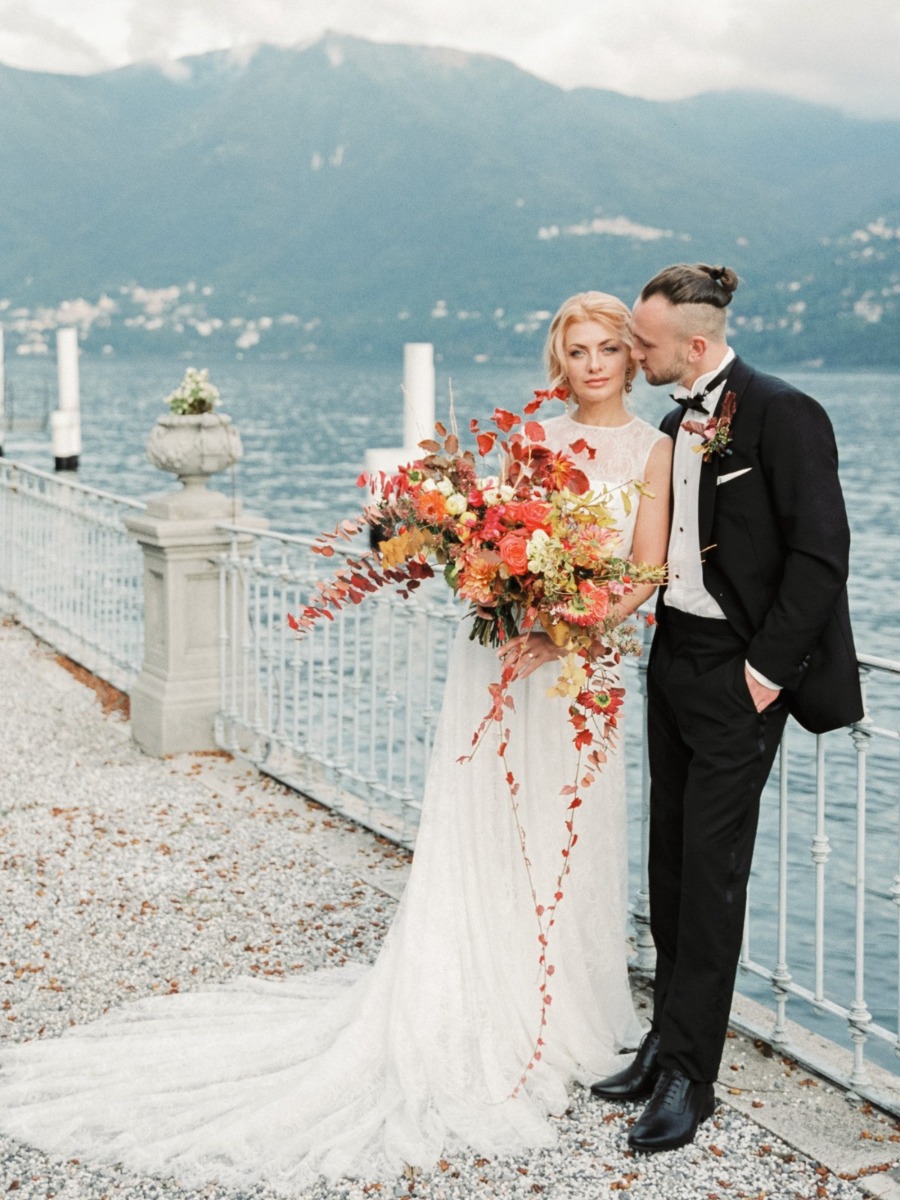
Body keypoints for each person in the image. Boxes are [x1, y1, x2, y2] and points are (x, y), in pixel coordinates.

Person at [0, 293, 671, 1192]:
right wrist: (505, 592)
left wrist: (569, 629)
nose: (592, 364)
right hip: (504, 662)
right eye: (576, 350)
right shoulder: (533, 444)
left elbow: (647, 572)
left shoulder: (655, 450)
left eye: (606, 350)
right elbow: (484, 545)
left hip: (579, 670)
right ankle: (483, 992)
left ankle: (569, 1007)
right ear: (561, 361)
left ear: (632, 358)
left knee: (572, 833)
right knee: (492, 827)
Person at [590, 263, 863, 1153]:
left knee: (711, 876)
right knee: (669, 863)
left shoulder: (785, 413)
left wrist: (766, 671)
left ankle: (689, 1082)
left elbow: (822, 554)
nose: (635, 351)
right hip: (674, 661)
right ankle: (666, 1038)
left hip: (740, 675)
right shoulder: (678, 419)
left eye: (644, 341)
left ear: (695, 345)